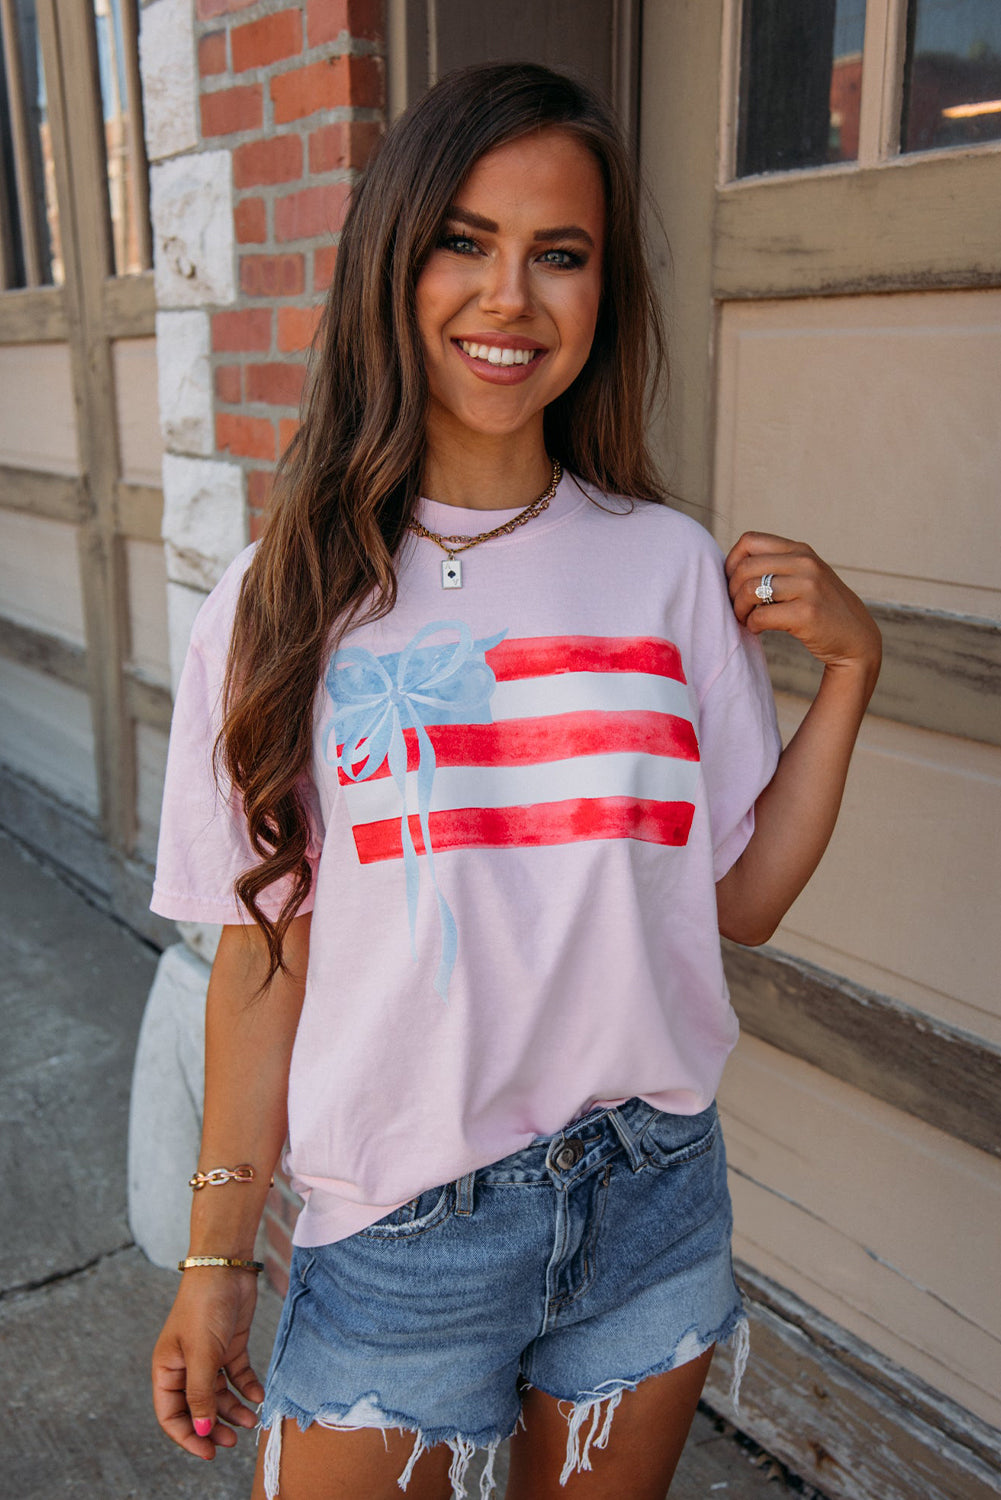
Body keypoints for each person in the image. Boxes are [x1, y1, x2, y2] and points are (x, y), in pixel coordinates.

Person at [149, 62, 881, 1500]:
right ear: (394, 263)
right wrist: (216, 1258)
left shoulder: (665, 567)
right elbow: (263, 950)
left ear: (603, 292)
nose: (510, 298)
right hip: (403, 1238)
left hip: (649, 1201)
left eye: (560, 255)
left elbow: (738, 904)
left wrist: (852, 674)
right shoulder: (281, 600)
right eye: (464, 243)